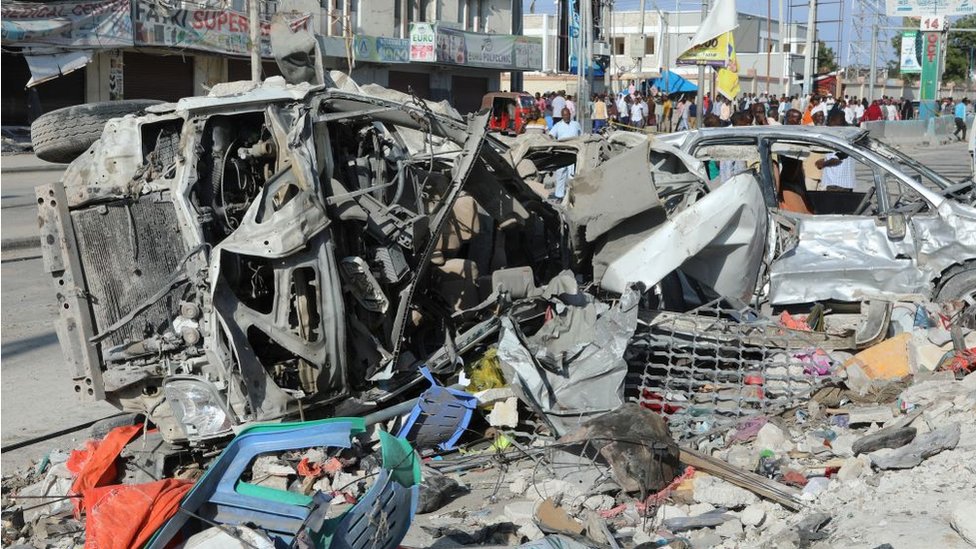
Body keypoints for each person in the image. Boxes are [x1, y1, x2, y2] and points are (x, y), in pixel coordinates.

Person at [548, 107, 582, 201]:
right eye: (564, 115)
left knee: (572, 175)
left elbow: (581, 135)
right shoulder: (558, 125)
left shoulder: (576, 124)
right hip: (562, 153)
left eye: (568, 115)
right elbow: (551, 135)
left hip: (573, 153)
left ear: (570, 115)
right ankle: (559, 195)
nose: (566, 116)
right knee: (560, 174)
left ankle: (572, 196)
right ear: (562, 116)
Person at [817, 112, 856, 192]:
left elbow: (838, 159)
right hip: (845, 182)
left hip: (836, 183)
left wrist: (823, 164)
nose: (828, 124)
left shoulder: (842, 137)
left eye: (830, 121)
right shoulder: (849, 134)